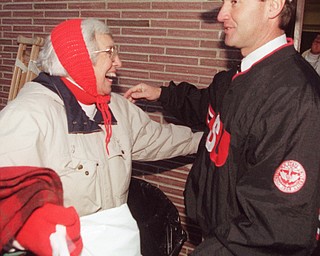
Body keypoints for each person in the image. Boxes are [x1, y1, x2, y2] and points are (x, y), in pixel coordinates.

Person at [125, 0, 320, 255]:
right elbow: (205, 105)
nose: (221, 15)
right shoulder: (239, 75)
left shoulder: (294, 97)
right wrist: (162, 94)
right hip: (219, 235)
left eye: (235, 2)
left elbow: (274, 228)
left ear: (273, 6)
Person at [0, 18, 202, 255]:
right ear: (78, 58)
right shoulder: (28, 116)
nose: (119, 62)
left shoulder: (115, 108)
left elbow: (160, 138)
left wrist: (210, 140)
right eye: (110, 53)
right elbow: (9, 209)